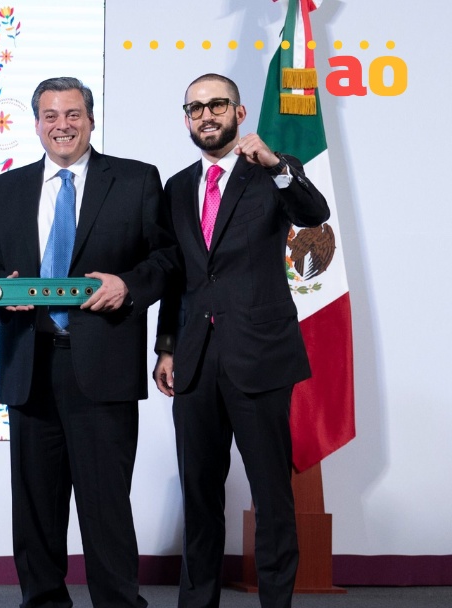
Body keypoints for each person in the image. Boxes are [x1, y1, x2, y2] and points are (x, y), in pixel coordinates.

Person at [0, 77, 176, 608]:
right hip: (29, 364)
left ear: (91, 119)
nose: (62, 125)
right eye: (51, 115)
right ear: (36, 123)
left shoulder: (136, 180)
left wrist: (128, 286)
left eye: (73, 114)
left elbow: (168, 260)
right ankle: (43, 602)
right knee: (36, 507)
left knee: (106, 505)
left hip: (104, 367)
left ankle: (118, 603)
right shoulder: (2, 189)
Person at [153, 73, 330, 608]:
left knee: (272, 498)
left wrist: (277, 166)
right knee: (200, 499)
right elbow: (176, 275)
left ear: (239, 111)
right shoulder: (177, 187)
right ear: (186, 117)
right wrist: (165, 346)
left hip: (259, 356)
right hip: (195, 361)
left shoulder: (270, 173)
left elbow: (314, 213)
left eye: (217, 105)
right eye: (196, 108)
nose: (207, 115)